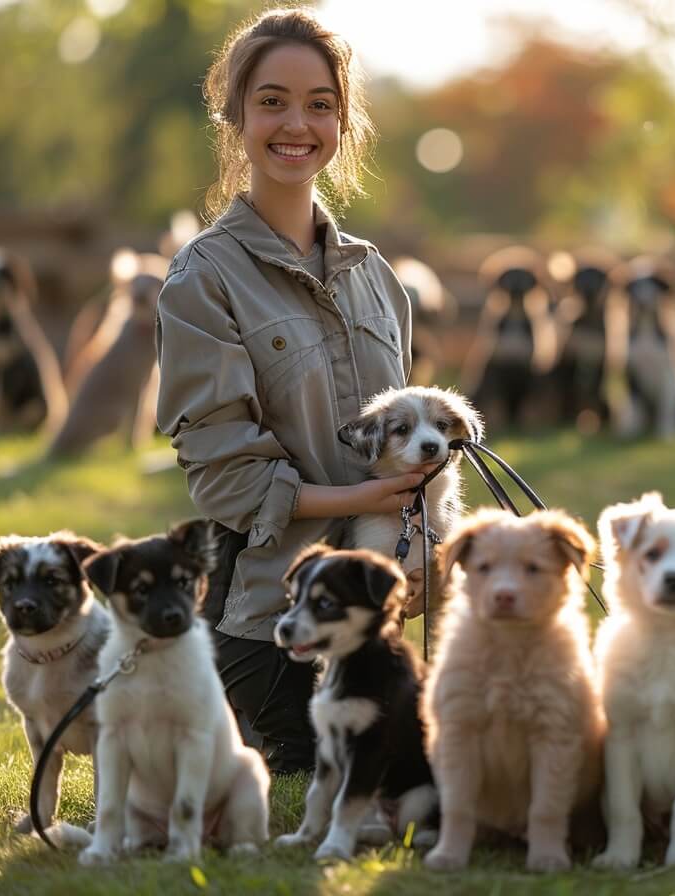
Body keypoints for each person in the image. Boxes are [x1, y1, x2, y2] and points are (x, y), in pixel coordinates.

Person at [155, 7, 424, 773]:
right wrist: (364, 501)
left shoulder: (378, 278)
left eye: (320, 103)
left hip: (382, 604)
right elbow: (226, 479)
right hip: (270, 611)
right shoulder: (201, 280)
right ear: (235, 115)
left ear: (344, 119)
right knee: (336, 760)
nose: (295, 124)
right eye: (271, 100)